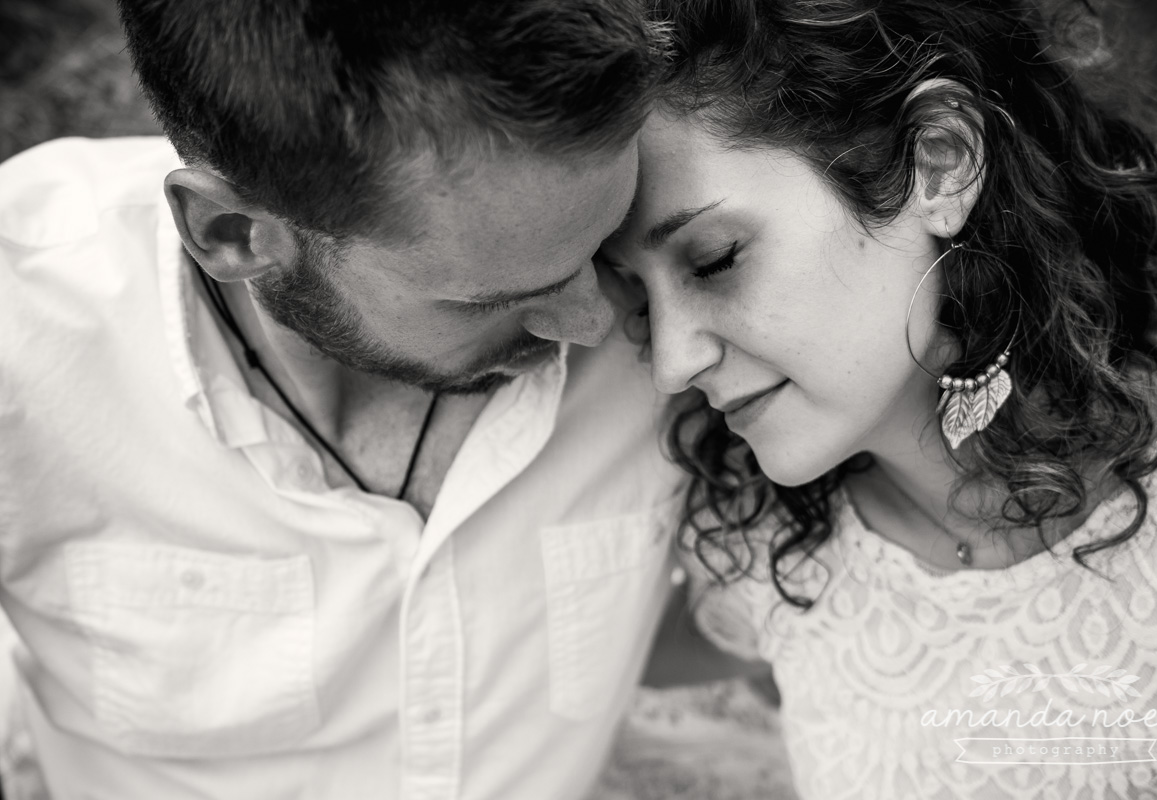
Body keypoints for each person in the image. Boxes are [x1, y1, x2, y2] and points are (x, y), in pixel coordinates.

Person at [0, 2, 686, 798]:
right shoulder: (24, 335)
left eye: (603, 245)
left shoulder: (682, 277)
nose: (598, 322)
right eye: (491, 299)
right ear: (233, 233)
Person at [600, 0, 1157, 797]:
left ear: (940, 161)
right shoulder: (760, 555)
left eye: (714, 260)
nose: (672, 363)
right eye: (637, 300)